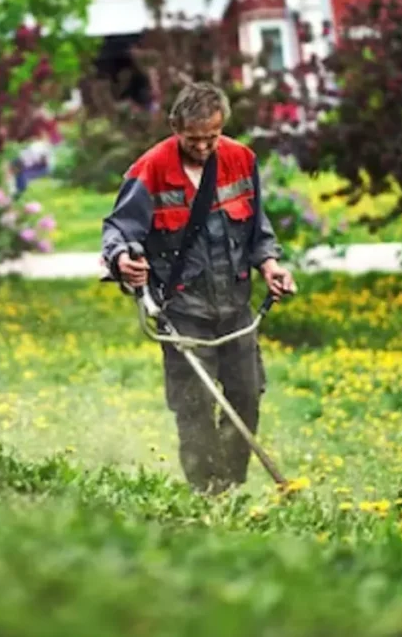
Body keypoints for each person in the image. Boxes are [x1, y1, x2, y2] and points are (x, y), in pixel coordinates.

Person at [101, 81, 296, 495]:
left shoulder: (241, 160)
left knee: (246, 395)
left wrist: (271, 266)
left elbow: (259, 230)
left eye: (213, 137)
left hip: (236, 304)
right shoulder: (150, 169)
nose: (205, 147)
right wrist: (124, 262)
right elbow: (118, 230)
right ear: (175, 126)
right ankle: (208, 491)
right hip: (183, 310)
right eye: (194, 139)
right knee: (194, 405)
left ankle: (230, 482)